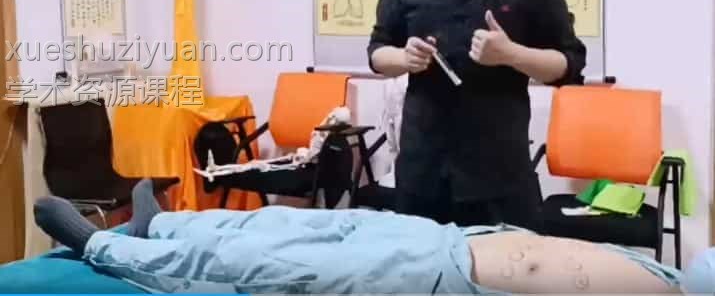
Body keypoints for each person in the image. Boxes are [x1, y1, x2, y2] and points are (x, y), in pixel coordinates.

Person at [367, 0, 587, 230]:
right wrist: (404, 58)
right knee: (422, 264)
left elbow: (568, 65)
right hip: (423, 170)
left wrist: (512, 54)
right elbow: (377, 53)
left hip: (502, 171)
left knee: (510, 265)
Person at [33, 179, 685, 294]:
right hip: (450, 239)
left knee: (266, 261)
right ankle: (166, 223)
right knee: (297, 221)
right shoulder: (684, 280)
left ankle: (105, 247)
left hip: (432, 282)